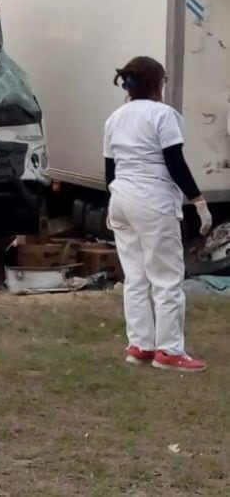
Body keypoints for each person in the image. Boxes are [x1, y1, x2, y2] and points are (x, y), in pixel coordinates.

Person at [104, 56, 212, 373]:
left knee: (136, 278)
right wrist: (199, 201)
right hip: (152, 201)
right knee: (166, 278)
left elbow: (110, 170)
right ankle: (170, 352)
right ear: (157, 83)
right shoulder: (163, 115)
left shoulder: (115, 118)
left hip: (121, 199)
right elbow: (174, 162)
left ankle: (140, 346)